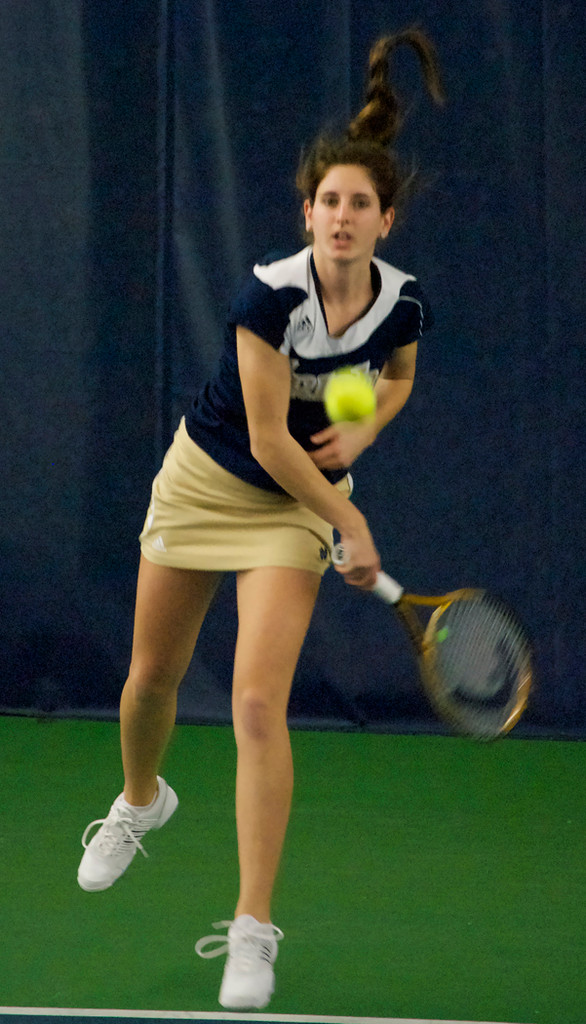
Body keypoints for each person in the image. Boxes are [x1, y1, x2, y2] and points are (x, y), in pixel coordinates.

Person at [77, 26, 444, 1011]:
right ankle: (142, 800)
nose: (340, 216)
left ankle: (251, 927)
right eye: (327, 201)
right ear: (307, 212)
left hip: (293, 513)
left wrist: (362, 440)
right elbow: (274, 440)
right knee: (150, 679)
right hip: (208, 480)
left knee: (251, 704)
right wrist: (352, 522)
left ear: (384, 221)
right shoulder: (268, 296)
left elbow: (395, 382)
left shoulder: (401, 305)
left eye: (359, 204)